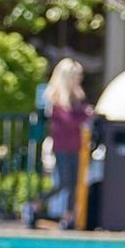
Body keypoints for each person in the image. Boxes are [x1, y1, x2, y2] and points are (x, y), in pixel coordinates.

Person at [42, 58, 93, 230]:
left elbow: (81, 116)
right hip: (62, 147)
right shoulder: (55, 98)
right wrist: (85, 115)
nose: (78, 80)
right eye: (75, 76)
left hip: (77, 147)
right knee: (64, 183)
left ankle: (69, 217)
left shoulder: (77, 97)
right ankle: (35, 204)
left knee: (74, 185)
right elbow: (70, 121)